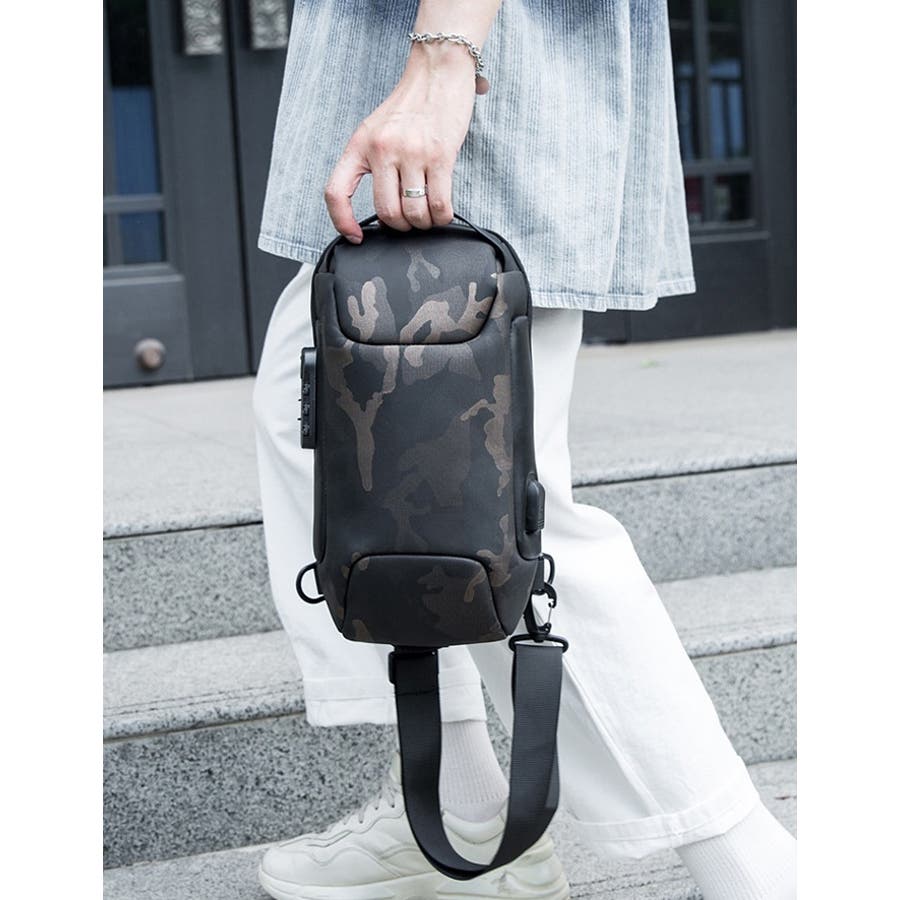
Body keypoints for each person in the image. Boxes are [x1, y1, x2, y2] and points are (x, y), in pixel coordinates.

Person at [251, 2, 797, 898]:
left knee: (492, 498)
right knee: (336, 434)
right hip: (435, 64)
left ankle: (756, 870)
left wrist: (444, 59)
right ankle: (457, 797)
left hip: (476, 63)